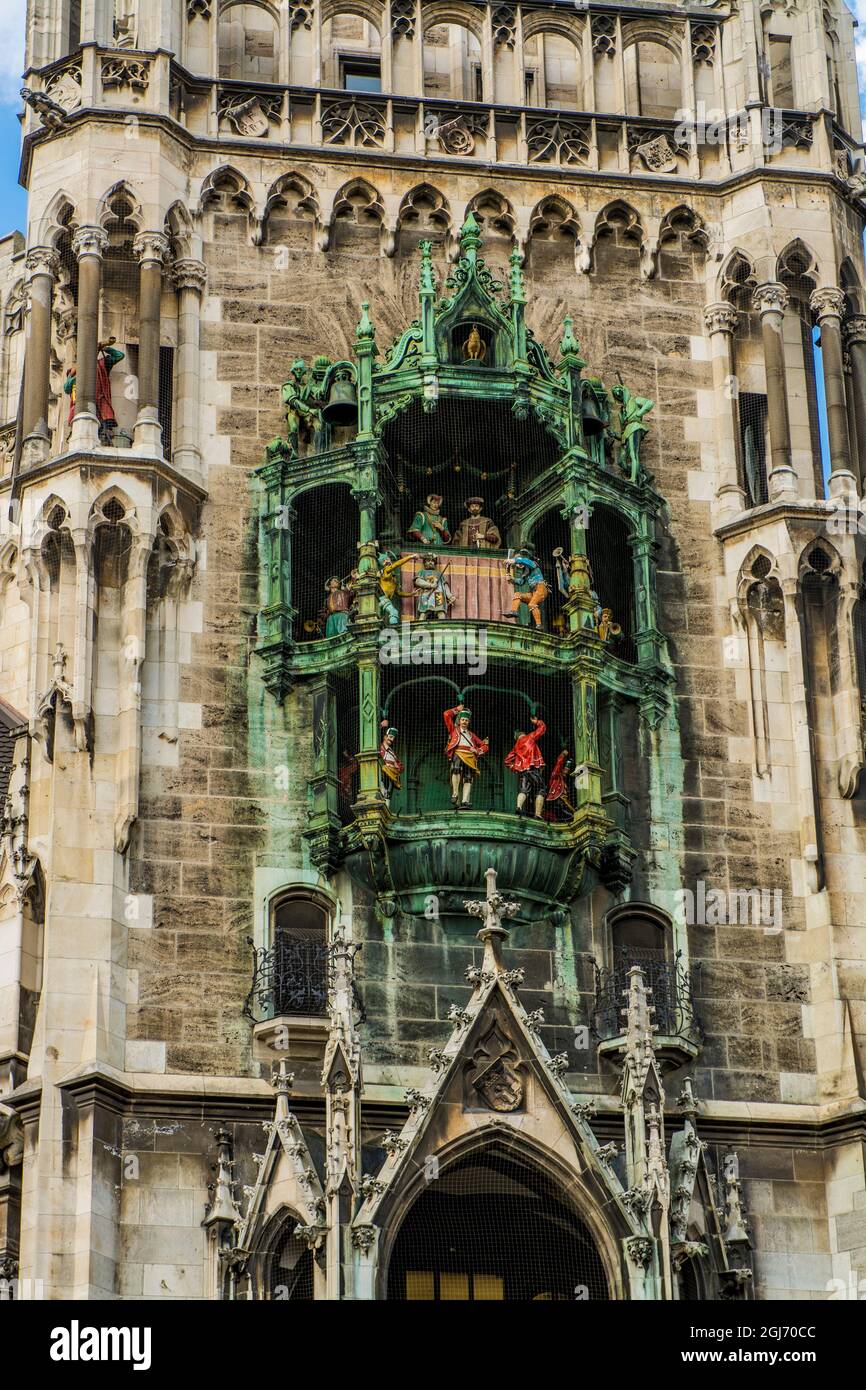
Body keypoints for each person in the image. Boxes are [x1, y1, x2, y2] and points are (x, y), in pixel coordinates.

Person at [64, 338, 125, 444]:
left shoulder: (102, 364)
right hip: (82, 402)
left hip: (100, 399)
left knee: (104, 419)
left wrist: (105, 348)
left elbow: (119, 355)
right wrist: (78, 376)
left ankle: (105, 434)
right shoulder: (74, 371)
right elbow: (66, 387)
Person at [443, 702, 488, 809]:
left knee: (468, 777)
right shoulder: (454, 730)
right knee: (455, 769)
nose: (465, 722)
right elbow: (446, 714)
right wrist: (457, 710)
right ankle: (455, 793)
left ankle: (465, 801)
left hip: (470, 756)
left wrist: (477, 750)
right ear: (459, 720)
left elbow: (485, 746)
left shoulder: (471, 735)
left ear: (469, 722)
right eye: (463, 720)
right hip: (458, 752)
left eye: (467, 720)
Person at [504, 716, 546, 818]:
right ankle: (538, 814)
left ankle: (518, 807)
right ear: (523, 734)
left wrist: (516, 767)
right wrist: (537, 722)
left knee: (523, 790)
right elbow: (542, 729)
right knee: (541, 789)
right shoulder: (530, 737)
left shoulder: (516, 746)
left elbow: (507, 761)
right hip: (533, 770)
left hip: (523, 772)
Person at [612, 383, 653, 482]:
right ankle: (640, 474)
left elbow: (650, 403)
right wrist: (615, 435)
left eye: (618, 390)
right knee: (622, 461)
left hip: (634, 426)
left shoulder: (634, 400)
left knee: (633, 454)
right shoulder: (621, 412)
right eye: (615, 393)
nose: (617, 393)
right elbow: (622, 431)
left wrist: (639, 413)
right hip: (627, 431)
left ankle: (634, 478)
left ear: (623, 390)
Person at [505, 546, 548, 629]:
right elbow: (521, 582)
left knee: (532, 604)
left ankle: (539, 625)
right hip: (534, 592)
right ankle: (514, 611)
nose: (519, 564)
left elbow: (526, 561)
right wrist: (511, 579)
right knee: (518, 594)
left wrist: (513, 560)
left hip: (540, 587)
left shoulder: (532, 564)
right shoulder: (526, 572)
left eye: (520, 561)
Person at [378, 550, 417, 625]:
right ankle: (393, 630)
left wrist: (411, 594)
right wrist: (411, 556)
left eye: (387, 559)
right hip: (382, 598)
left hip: (384, 600)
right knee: (394, 612)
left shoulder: (393, 578)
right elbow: (396, 565)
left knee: (380, 619)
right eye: (385, 560)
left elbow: (398, 593)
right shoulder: (386, 570)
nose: (387, 561)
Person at [414, 554, 452, 620]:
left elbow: (444, 585)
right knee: (424, 613)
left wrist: (449, 596)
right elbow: (418, 581)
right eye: (428, 561)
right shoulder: (422, 572)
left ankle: (442, 628)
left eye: (432, 561)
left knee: (441, 613)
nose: (430, 562)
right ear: (424, 563)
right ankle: (420, 628)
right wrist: (430, 585)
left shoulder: (439, 574)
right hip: (426, 594)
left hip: (438, 595)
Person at [545, 751, 575, 820]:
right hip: (558, 799)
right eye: (565, 768)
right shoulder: (556, 776)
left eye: (568, 769)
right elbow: (558, 764)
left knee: (569, 810)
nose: (567, 770)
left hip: (565, 800)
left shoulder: (565, 781)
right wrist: (563, 755)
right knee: (562, 809)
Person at [379, 723, 403, 806]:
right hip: (383, 773)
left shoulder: (392, 752)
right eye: (390, 737)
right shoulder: (380, 747)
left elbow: (400, 766)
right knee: (383, 792)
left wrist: (397, 767)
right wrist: (381, 725)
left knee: (388, 794)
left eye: (393, 738)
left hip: (392, 775)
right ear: (385, 737)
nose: (392, 740)